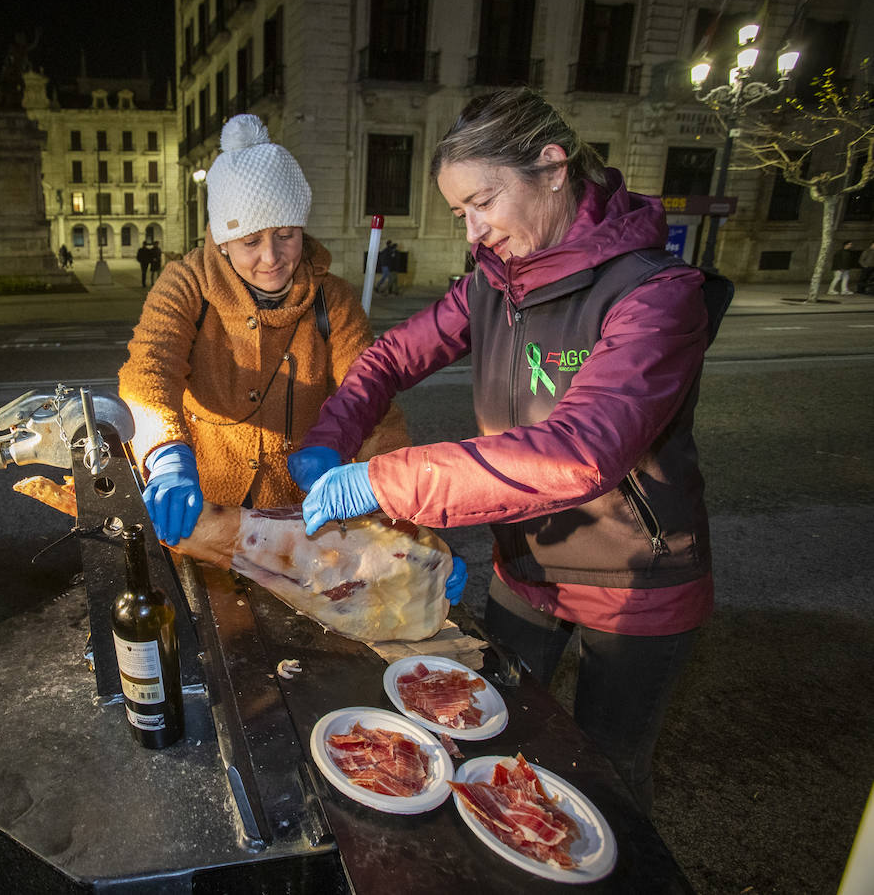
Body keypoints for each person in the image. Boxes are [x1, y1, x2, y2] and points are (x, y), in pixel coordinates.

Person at [288, 88, 720, 814]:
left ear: (552, 167)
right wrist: (333, 432)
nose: (474, 231)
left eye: (483, 202)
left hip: (637, 580)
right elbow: (393, 356)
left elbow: (578, 451)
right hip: (524, 566)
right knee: (490, 738)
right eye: (461, 214)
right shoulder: (493, 284)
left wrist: (385, 482)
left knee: (604, 778)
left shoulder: (656, 294)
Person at [118, 113, 414, 546]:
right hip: (203, 515)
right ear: (221, 241)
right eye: (250, 242)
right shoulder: (185, 284)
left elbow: (371, 401)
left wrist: (400, 516)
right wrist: (165, 452)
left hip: (302, 522)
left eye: (286, 234)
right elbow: (149, 372)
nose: (272, 257)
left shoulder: (334, 299)